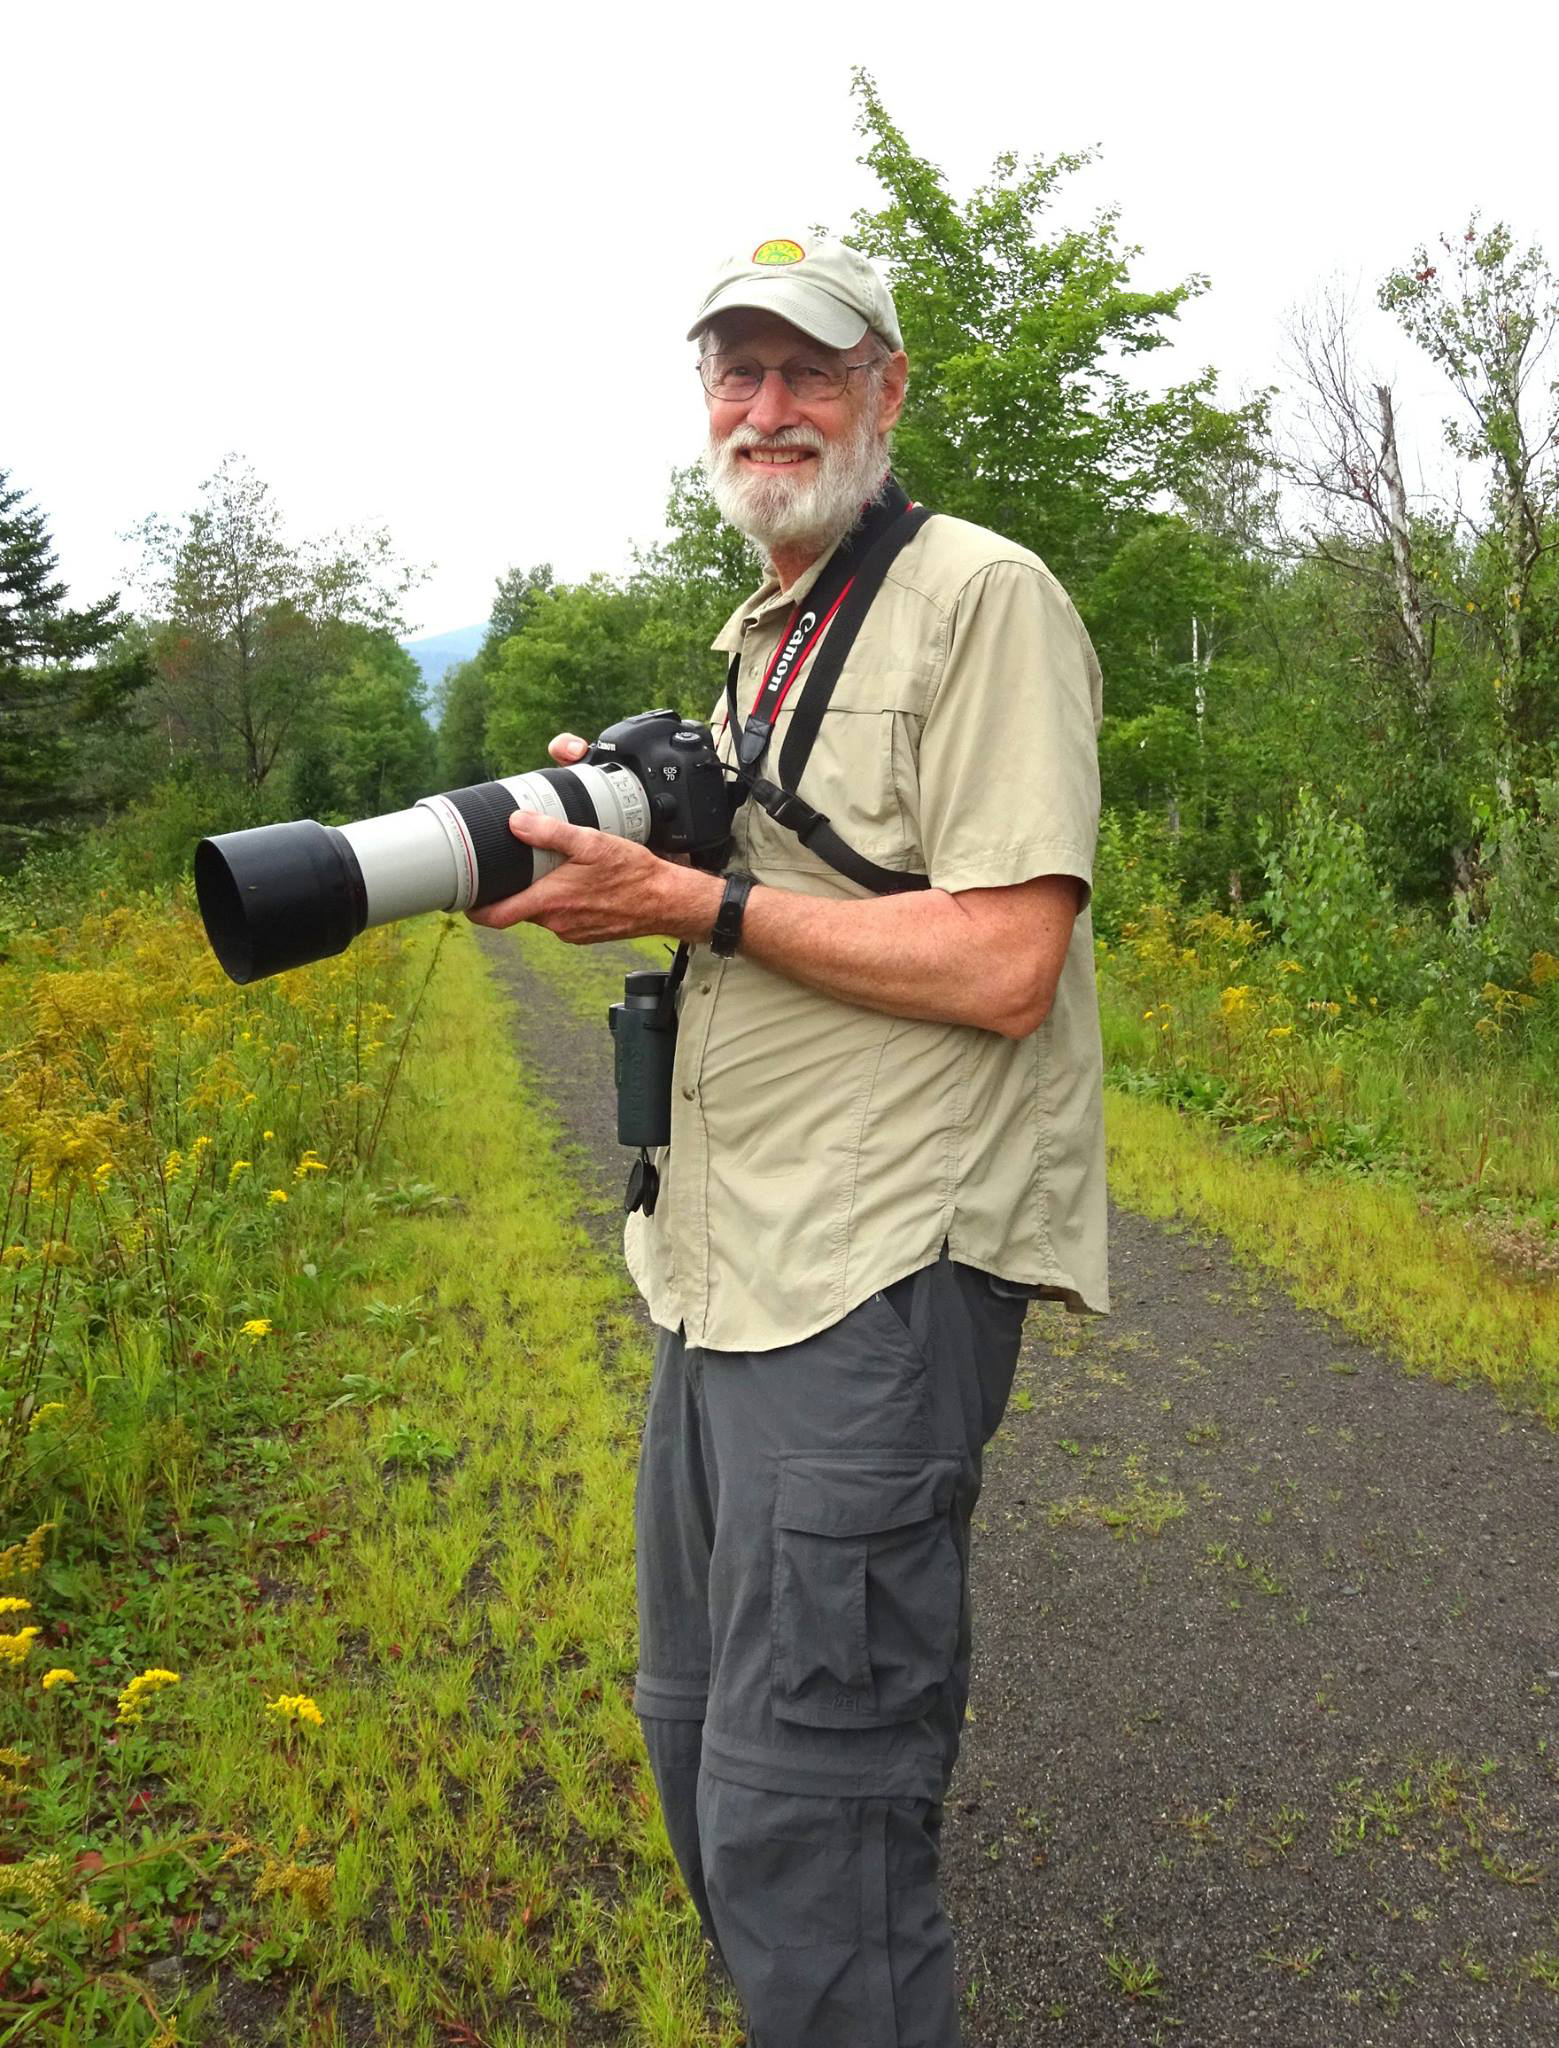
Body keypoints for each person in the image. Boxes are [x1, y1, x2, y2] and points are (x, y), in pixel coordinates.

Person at [469, 236, 1108, 2047]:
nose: (768, 409)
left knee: (809, 1810)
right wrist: (642, 837)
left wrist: (696, 897)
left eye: (808, 372)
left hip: (879, 1261)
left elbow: (1004, 956)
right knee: (695, 1736)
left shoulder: (981, 596)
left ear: (885, 391)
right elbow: (792, 871)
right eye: (735, 375)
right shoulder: (772, 619)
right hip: (725, 1257)